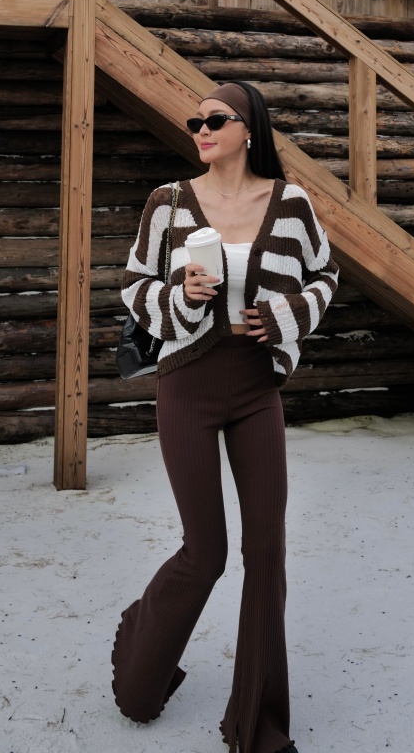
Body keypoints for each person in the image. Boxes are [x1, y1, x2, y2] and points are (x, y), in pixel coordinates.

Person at [111, 80, 339, 753]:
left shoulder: (291, 203)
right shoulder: (168, 203)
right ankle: (142, 661)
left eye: (215, 119)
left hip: (256, 386)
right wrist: (180, 295)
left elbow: (325, 275)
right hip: (186, 382)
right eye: (196, 122)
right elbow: (133, 284)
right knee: (204, 551)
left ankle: (258, 724)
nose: (201, 129)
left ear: (248, 129)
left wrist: (286, 315)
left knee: (266, 550)